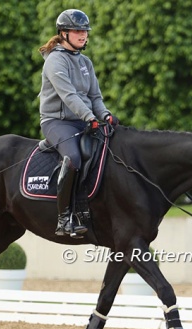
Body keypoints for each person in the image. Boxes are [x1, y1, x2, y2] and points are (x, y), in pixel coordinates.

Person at [38, 9, 119, 237]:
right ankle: (64, 218)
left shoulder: (85, 62)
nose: (83, 35)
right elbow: (69, 95)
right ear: (63, 33)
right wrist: (90, 117)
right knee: (73, 158)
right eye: (77, 31)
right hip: (58, 122)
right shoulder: (55, 61)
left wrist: (105, 116)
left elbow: (95, 98)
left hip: (85, 120)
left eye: (85, 31)